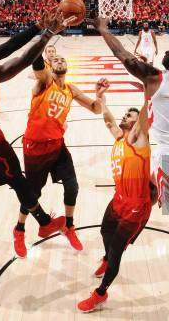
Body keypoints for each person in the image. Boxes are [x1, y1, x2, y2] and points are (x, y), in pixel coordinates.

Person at [90, 16, 169, 294]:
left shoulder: (155, 78)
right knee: (146, 193)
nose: (167, 53)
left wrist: (102, 28)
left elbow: (122, 55)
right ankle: (122, 241)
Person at [0, 9, 75, 268]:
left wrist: (36, 27)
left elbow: (9, 46)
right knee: (18, 178)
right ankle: (43, 223)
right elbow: (18, 62)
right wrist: (49, 34)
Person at [13, 52, 106, 257]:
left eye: (63, 59)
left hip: (57, 145)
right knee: (33, 194)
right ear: (49, 65)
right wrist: (43, 39)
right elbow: (38, 66)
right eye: (56, 60)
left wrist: (99, 95)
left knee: (72, 186)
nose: (60, 61)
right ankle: (19, 230)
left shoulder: (71, 89)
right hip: (35, 146)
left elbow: (96, 109)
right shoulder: (45, 82)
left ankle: (69, 227)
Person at [77, 88, 155, 312]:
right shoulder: (120, 138)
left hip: (135, 207)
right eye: (125, 114)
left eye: (129, 116)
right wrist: (101, 98)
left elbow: (143, 117)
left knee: (116, 252)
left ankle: (100, 293)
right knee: (104, 232)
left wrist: (148, 89)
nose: (125, 117)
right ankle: (106, 259)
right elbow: (109, 120)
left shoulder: (138, 139)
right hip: (118, 199)